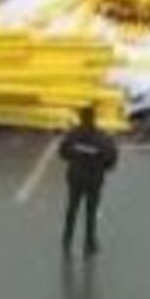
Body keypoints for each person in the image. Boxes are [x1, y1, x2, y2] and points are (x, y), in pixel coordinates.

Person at [59, 107, 119, 255]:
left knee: (72, 208)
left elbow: (63, 152)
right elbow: (111, 159)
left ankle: (67, 239)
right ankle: (89, 243)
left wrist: (75, 159)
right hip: (94, 179)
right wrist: (101, 167)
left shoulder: (73, 135)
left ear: (80, 118)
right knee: (90, 212)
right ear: (94, 118)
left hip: (75, 177)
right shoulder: (102, 138)